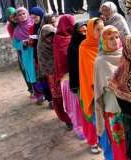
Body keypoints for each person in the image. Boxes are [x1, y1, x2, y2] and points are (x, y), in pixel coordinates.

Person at [94, 26, 127, 160]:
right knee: (120, 146)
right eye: (110, 39)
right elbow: (99, 91)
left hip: (129, 108)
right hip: (114, 111)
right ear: (103, 41)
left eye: (116, 37)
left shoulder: (126, 55)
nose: (114, 41)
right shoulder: (100, 62)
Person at [54, 15, 85, 138]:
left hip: (74, 77)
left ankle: (82, 127)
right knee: (74, 107)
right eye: (71, 25)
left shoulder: (72, 38)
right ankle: (78, 129)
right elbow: (62, 60)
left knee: (79, 106)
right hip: (67, 79)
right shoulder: (60, 40)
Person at [79, 18, 104, 154]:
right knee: (98, 118)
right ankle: (97, 141)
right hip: (93, 89)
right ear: (90, 31)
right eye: (97, 30)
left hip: (106, 88)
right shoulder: (84, 47)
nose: (101, 32)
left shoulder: (105, 43)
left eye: (102, 28)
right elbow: (89, 71)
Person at [68, 22, 87, 94]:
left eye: (85, 31)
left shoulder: (91, 44)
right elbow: (73, 68)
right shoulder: (72, 47)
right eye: (80, 32)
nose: (83, 34)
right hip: (80, 79)